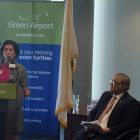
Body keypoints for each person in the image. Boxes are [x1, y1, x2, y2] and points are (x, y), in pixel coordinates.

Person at [74, 73, 140, 140]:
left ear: (123, 86)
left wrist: (108, 130)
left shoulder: (130, 102)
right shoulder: (106, 95)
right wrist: (88, 124)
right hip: (94, 130)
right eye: (111, 81)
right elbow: (93, 111)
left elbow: (127, 125)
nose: (111, 84)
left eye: (114, 82)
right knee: (79, 136)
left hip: (110, 134)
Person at [0, 40, 30, 140]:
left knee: (13, 136)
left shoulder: (20, 69)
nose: (8, 52)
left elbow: (25, 88)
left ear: (15, 53)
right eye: (5, 49)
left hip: (13, 110)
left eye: (11, 50)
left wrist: (26, 91)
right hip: (1, 109)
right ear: (2, 52)